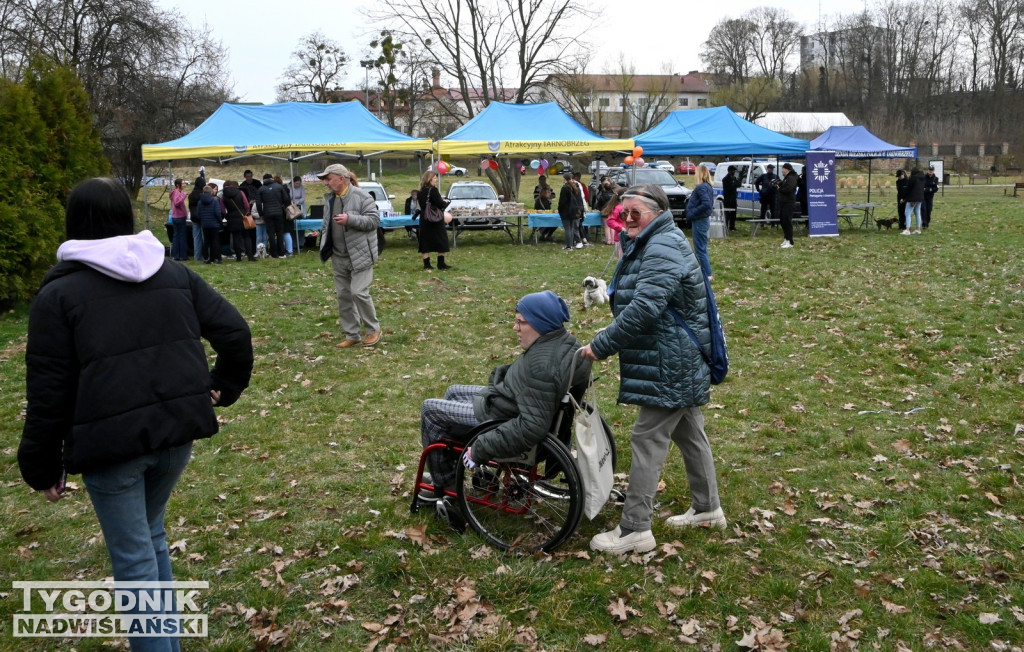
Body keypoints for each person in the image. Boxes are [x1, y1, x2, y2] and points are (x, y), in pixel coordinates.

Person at [18, 177, 253, 652]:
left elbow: (47, 391)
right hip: (164, 435)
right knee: (149, 537)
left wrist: (220, 386)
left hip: (127, 448)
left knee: (134, 558)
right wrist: (219, 385)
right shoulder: (154, 277)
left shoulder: (154, 275)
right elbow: (234, 332)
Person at [581, 183, 725, 555]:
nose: (626, 219)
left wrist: (600, 346)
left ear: (658, 212)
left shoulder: (661, 244)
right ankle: (708, 509)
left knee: (647, 439)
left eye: (635, 214)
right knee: (690, 433)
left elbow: (646, 309)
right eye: (622, 213)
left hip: (671, 361)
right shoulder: (653, 240)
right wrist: (609, 293)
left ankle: (634, 529)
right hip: (673, 356)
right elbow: (647, 292)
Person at [419, 291, 591, 493]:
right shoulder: (565, 344)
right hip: (511, 402)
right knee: (453, 392)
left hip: (502, 417)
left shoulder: (541, 367)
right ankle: (451, 467)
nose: (515, 328)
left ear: (540, 323)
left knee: (430, 411)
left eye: (521, 322)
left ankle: (446, 486)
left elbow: (531, 427)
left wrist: (482, 447)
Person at [317, 163, 382, 348]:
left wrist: (350, 219)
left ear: (341, 179)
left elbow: (374, 220)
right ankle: (352, 334)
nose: (326, 183)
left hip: (361, 254)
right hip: (338, 256)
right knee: (344, 295)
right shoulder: (330, 199)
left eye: (328, 179)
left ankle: (373, 329)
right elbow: (326, 224)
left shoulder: (362, 197)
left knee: (358, 292)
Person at [417, 170, 452, 271]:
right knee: (441, 240)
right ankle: (441, 264)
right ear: (430, 179)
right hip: (435, 219)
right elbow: (440, 204)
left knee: (425, 241)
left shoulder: (420, 191)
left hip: (424, 218)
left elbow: (423, 205)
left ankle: (427, 265)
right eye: (435, 178)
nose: (436, 179)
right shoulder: (433, 190)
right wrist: (446, 202)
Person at [685, 164, 715, 279]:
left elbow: (706, 204)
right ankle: (703, 272)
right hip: (703, 219)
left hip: (700, 220)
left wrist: (692, 213)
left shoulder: (701, 187)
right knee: (701, 247)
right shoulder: (707, 186)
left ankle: (707, 274)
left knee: (700, 249)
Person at [258, 173, 289, 258]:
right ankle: (282, 253)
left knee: (271, 234)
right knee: (279, 233)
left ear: (263, 180)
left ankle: (274, 254)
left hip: (267, 213)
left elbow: (258, 204)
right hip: (279, 212)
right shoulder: (279, 187)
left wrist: (261, 215)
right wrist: (283, 206)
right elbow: (286, 199)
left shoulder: (261, 189)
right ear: (272, 179)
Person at [222, 180, 254, 262]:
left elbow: (222, 209)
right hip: (242, 216)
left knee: (236, 238)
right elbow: (246, 204)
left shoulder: (223, 196)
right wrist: (246, 213)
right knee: (247, 237)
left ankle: (238, 257)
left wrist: (227, 216)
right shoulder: (240, 192)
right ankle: (250, 256)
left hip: (232, 218)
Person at [195, 185, 225, 264]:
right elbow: (217, 213)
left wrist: (203, 219)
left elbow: (198, 214)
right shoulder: (214, 201)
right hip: (214, 224)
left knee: (206, 242)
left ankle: (206, 258)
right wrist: (220, 222)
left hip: (205, 224)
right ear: (211, 191)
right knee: (215, 241)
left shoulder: (200, 202)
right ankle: (217, 258)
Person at [776, 163, 799, 249]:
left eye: (783, 169)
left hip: (788, 203)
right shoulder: (786, 178)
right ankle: (786, 238)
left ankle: (790, 241)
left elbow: (789, 189)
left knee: (787, 222)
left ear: (787, 169)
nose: (782, 170)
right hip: (783, 202)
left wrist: (780, 189)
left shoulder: (791, 178)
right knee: (783, 221)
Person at [558, 171, 583, 250]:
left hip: (566, 210)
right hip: (574, 210)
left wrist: (560, 209)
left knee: (568, 229)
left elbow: (562, 201)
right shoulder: (576, 187)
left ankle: (569, 245)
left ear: (564, 178)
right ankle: (571, 244)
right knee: (572, 228)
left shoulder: (565, 188)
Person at [240, 170, 262, 254]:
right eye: (247, 177)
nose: (249, 178)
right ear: (245, 177)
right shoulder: (242, 186)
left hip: (257, 208)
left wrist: (256, 201)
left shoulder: (257, 183)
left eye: (250, 176)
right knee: (250, 230)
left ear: (252, 175)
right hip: (248, 210)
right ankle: (251, 249)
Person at [187, 169, 206, 262]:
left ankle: (197, 257)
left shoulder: (191, 195)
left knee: (196, 238)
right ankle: (205, 255)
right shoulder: (202, 195)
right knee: (204, 238)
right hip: (202, 217)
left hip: (194, 218)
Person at [169, 178, 189, 261]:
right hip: (179, 217)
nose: (184, 184)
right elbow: (177, 203)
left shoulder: (175, 192)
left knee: (176, 236)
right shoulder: (177, 192)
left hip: (175, 217)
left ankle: (176, 255)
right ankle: (182, 255)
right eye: (183, 183)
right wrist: (184, 195)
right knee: (181, 236)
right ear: (178, 185)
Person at [903, 167, 925, 235]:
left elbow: (909, 189)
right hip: (920, 198)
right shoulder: (923, 178)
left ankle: (907, 229)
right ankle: (918, 229)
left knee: (907, 213)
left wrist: (904, 198)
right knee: (917, 213)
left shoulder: (913, 178)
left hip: (912, 198)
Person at [721, 166, 739, 232]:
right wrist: (733, 184)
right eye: (733, 170)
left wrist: (734, 183)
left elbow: (738, 184)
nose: (734, 172)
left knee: (733, 213)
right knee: (727, 213)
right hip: (728, 199)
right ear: (729, 171)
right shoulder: (725, 179)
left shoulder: (734, 178)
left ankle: (732, 226)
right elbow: (729, 188)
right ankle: (726, 226)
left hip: (733, 199)